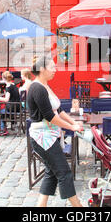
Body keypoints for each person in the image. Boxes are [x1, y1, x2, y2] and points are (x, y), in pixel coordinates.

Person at [27, 55, 84, 207]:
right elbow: (50, 116)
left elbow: (59, 109)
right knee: (64, 172)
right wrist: (71, 127)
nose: (55, 70)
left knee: (51, 172)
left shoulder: (45, 86)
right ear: (42, 69)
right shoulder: (36, 88)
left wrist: (74, 121)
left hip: (51, 135)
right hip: (42, 137)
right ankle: (78, 206)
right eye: (52, 67)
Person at [0, 71, 21, 136]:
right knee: (0, 110)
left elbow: (6, 100)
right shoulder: (13, 85)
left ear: (3, 78)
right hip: (18, 107)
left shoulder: (8, 87)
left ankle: (2, 128)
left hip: (11, 108)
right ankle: (3, 127)